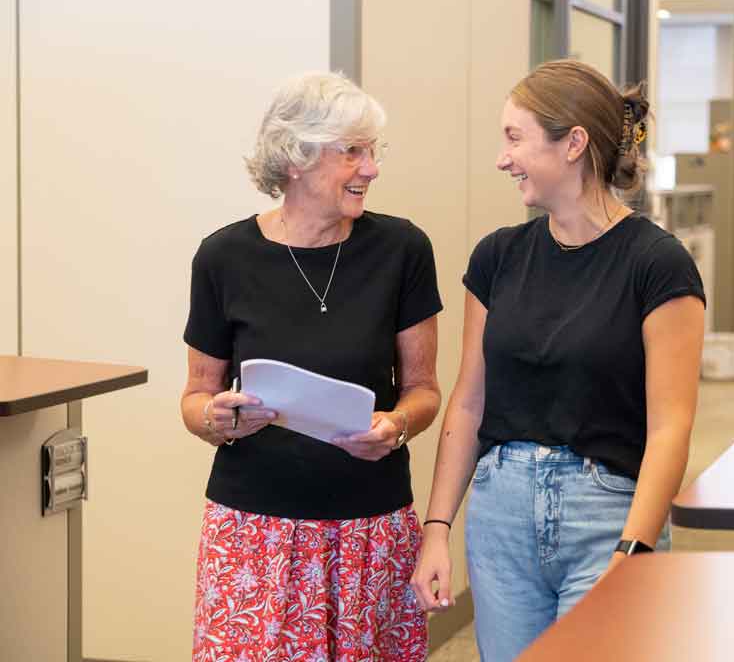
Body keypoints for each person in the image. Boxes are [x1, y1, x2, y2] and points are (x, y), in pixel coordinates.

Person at [410, 59, 705, 662]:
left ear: (573, 144)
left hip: (606, 517)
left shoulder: (657, 265)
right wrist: (436, 529)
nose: (502, 157)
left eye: (514, 137)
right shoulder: (497, 258)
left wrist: (634, 552)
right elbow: (469, 402)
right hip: (500, 521)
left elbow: (670, 426)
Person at [180, 72, 442, 661]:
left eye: (373, 151)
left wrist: (395, 426)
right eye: (352, 151)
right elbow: (196, 397)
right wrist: (217, 419)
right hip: (254, 537)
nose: (371, 168)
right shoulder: (223, 257)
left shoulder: (402, 251)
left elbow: (424, 390)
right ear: (296, 158)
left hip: (369, 533)